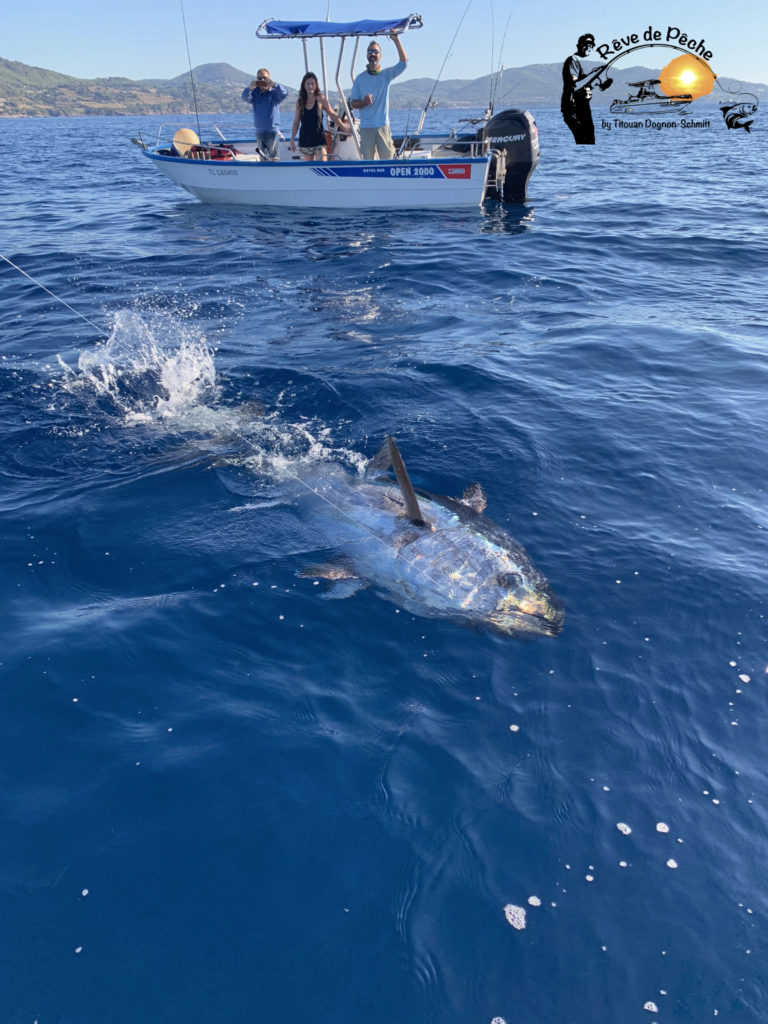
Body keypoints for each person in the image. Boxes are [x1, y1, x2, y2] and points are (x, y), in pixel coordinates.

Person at [348, 31, 407, 159]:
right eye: (370, 51)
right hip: (366, 128)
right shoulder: (359, 79)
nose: (373, 54)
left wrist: (396, 40)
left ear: (380, 56)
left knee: (388, 161)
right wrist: (363, 103)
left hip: (383, 126)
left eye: (376, 52)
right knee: (368, 164)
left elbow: (404, 64)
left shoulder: (386, 75)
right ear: (366, 55)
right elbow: (353, 103)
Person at [561, 34, 612, 145]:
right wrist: (594, 74)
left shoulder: (582, 67)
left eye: (590, 45)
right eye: (585, 44)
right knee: (584, 140)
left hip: (583, 108)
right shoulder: (572, 60)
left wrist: (604, 84)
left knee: (589, 140)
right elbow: (575, 86)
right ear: (579, 45)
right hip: (573, 108)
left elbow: (595, 85)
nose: (588, 47)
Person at [289, 72, 347, 161]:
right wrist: (292, 140)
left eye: (312, 83)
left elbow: (333, 115)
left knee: (323, 165)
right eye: (308, 83)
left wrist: (344, 128)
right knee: (310, 170)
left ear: (316, 85)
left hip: (319, 140)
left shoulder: (320, 99)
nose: (310, 86)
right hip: (305, 141)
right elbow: (296, 122)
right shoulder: (300, 102)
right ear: (304, 85)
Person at [241, 70, 289, 160]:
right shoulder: (254, 93)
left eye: (265, 78)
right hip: (259, 131)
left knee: (273, 157)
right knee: (262, 157)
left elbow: (284, 93)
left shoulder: (274, 93)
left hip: (272, 130)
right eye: (260, 78)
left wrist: (274, 85)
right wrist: (249, 88)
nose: (262, 80)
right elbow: (244, 97)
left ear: (269, 79)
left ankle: (274, 173)